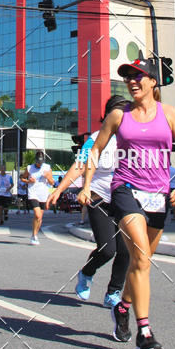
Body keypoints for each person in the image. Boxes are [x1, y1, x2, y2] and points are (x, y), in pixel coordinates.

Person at [79, 56, 175, 349]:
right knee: (140, 257)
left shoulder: (170, 114)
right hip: (125, 189)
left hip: (158, 194)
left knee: (143, 263)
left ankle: (122, 306)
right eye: (127, 77)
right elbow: (95, 149)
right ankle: (145, 330)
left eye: (137, 76)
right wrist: (87, 184)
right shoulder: (118, 115)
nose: (131, 81)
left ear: (153, 81)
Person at [46, 97, 130, 307]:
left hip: (124, 199)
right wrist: (60, 188)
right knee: (107, 249)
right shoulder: (95, 138)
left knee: (126, 250)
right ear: (109, 116)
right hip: (98, 197)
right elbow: (80, 165)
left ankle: (113, 291)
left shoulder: (131, 139)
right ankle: (87, 272)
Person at [21, 151, 54, 245]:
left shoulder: (47, 168)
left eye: (41, 162)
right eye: (38, 162)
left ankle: (34, 234)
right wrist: (28, 181)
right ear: (35, 160)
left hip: (43, 194)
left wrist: (48, 177)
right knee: (38, 214)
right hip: (33, 194)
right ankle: (34, 236)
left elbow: (52, 183)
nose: (39, 164)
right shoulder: (29, 168)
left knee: (39, 218)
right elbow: (22, 178)